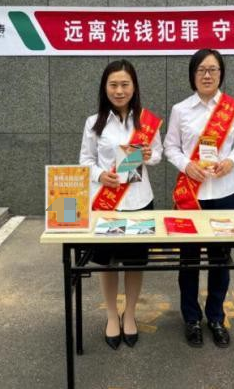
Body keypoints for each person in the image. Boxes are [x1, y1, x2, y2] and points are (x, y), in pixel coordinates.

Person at [164, 49, 234, 348]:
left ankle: (215, 317)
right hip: (191, 194)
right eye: (201, 69)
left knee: (220, 259)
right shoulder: (180, 110)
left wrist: (231, 162)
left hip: (225, 192)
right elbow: (170, 147)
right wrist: (186, 165)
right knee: (188, 259)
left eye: (213, 69)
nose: (207, 75)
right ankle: (191, 318)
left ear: (221, 73)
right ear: (193, 74)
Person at [79, 59, 162, 350]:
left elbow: (158, 155)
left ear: (134, 87)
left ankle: (130, 314)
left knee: (135, 262)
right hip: (107, 203)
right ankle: (112, 315)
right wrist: (100, 175)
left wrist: (150, 155)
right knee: (108, 263)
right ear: (105, 87)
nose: (119, 90)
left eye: (125, 84)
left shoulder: (146, 121)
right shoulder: (94, 122)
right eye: (113, 84)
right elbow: (85, 160)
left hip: (139, 201)